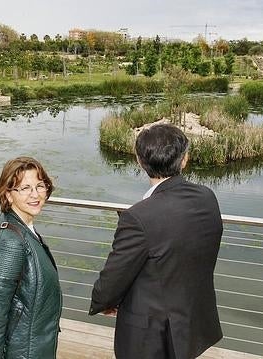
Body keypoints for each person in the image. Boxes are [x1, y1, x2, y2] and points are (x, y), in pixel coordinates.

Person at [89, 124, 224, 359]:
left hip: (151, 334)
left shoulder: (138, 216)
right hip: (189, 321)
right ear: (184, 159)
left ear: (139, 161)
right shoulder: (207, 197)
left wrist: (103, 301)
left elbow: (115, 274)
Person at [0, 156, 62, 358]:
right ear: (8, 195)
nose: (35, 195)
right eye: (25, 188)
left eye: (40, 186)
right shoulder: (10, 242)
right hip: (22, 352)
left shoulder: (22, 226)